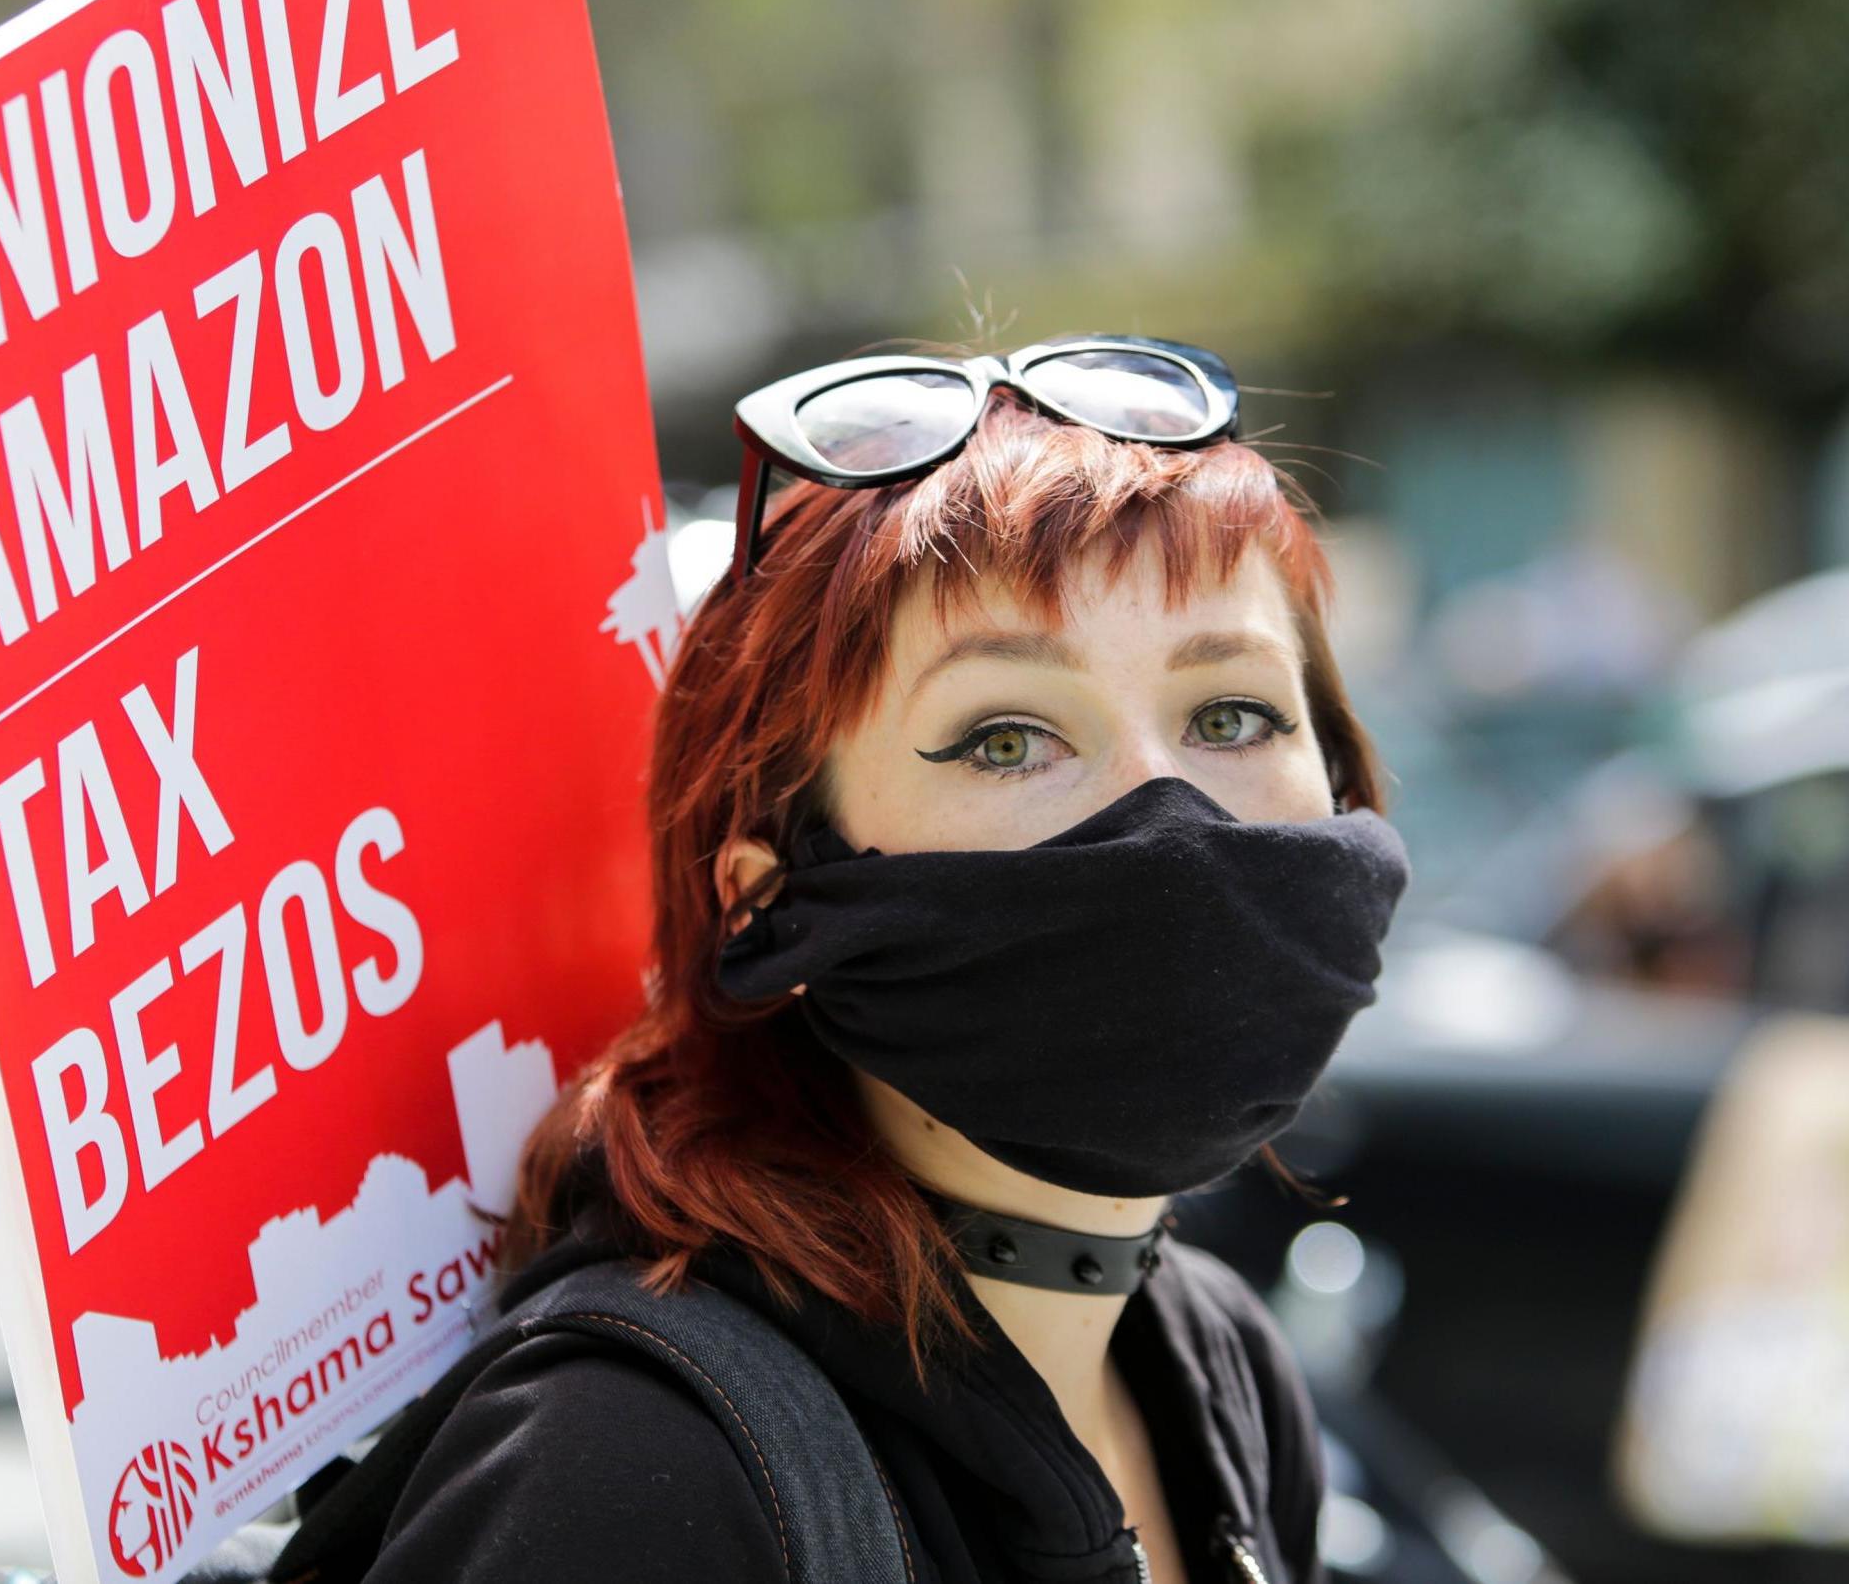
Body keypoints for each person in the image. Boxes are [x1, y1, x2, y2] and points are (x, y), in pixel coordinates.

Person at [363, 335, 1409, 1583]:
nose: (1167, 812)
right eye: (1005, 737)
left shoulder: (1223, 1368)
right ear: (771, 897)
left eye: (1231, 714)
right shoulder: (628, 1465)